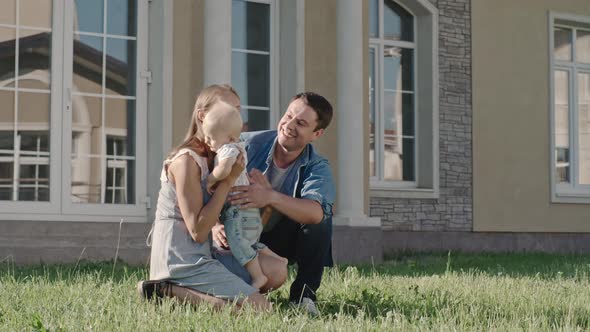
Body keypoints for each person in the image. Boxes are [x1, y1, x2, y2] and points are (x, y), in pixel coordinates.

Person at [138, 84, 287, 311]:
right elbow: (198, 232)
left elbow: (233, 213)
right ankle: (165, 289)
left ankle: (223, 295)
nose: (236, 117)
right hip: (181, 262)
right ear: (203, 115)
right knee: (260, 310)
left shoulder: (220, 156)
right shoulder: (186, 162)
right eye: (229, 109)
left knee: (276, 270)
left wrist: (261, 198)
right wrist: (227, 183)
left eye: (238, 110)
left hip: (207, 254)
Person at [212, 92, 335, 315]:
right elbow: (204, 184)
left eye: (301, 123)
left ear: (316, 133)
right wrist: (213, 225)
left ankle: (303, 297)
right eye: (288, 116)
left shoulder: (317, 166)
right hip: (233, 233)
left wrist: (270, 196)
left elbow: (316, 213)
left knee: (321, 217)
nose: (288, 125)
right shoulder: (246, 144)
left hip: (278, 238)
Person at [202, 101, 286, 290]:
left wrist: (210, 180)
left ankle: (258, 277)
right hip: (246, 212)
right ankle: (277, 259)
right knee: (250, 242)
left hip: (237, 212)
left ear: (230, 137)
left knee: (239, 245)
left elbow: (224, 169)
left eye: (211, 138)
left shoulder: (229, 149)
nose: (207, 141)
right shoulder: (237, 145)